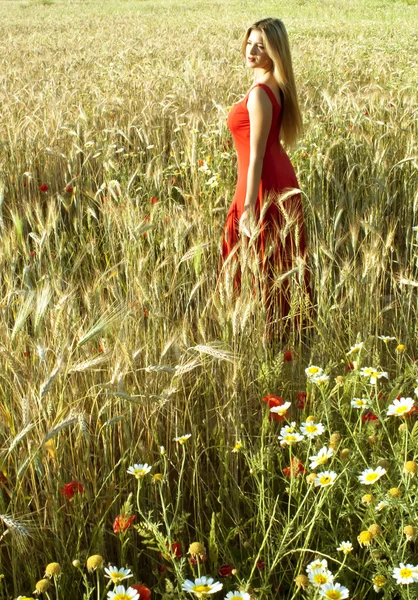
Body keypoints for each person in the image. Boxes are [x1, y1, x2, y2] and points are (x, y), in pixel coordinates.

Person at [220, 18, 310, 327]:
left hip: (262, 179)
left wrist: (247, 208)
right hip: (279, 175)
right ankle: (285, 330)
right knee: (278, 258)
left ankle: (266, 332)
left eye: (261, 46)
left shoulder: (260, 93)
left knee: (257, 255)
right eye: (249, 43)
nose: (251, 50)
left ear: (274, 51)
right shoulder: (275, 84)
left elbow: (255, 154)